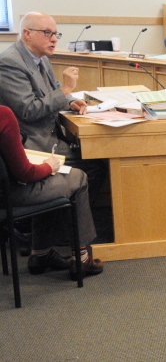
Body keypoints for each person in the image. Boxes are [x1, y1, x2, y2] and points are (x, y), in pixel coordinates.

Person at [0, 12, 108, 204]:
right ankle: (63, 224)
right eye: (47, 33)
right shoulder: (9, 63)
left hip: (51, 135)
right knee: (94, 167)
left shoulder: (41, 57)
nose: (54, 39)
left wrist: (71, 101)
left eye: (56, 34)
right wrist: (66, 89)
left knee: (98, 160)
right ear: (27, 33)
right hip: (32, 143)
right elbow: (29, 110)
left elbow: (54, 90)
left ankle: (67, 220)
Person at [0, 106, 104, 279]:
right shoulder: (3, 115)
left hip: (6, 191)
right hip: (12, 194)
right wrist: (48, 166)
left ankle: (40, 255)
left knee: (47, 180)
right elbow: (26, 173)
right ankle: (81, 259)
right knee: (77, 177)